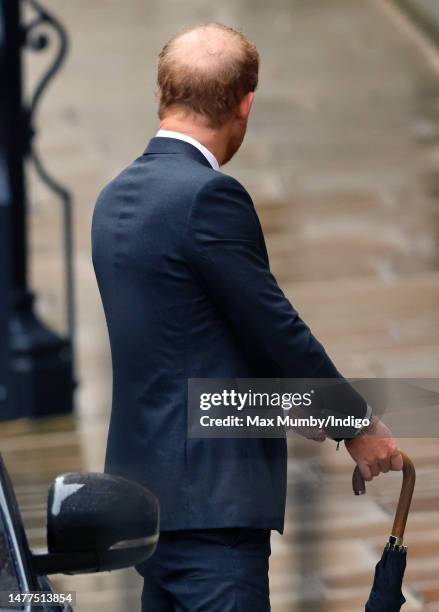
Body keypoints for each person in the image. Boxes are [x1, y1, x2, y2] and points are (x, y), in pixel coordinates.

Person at [91, 23, 403, 612]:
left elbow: (184, 351)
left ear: (163, 94)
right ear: (245, 104)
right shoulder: (208, 197)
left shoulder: (112, 200)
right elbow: (273, 328)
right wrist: (355, 424)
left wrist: (291, 406)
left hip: (143, 506)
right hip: (214, 507)